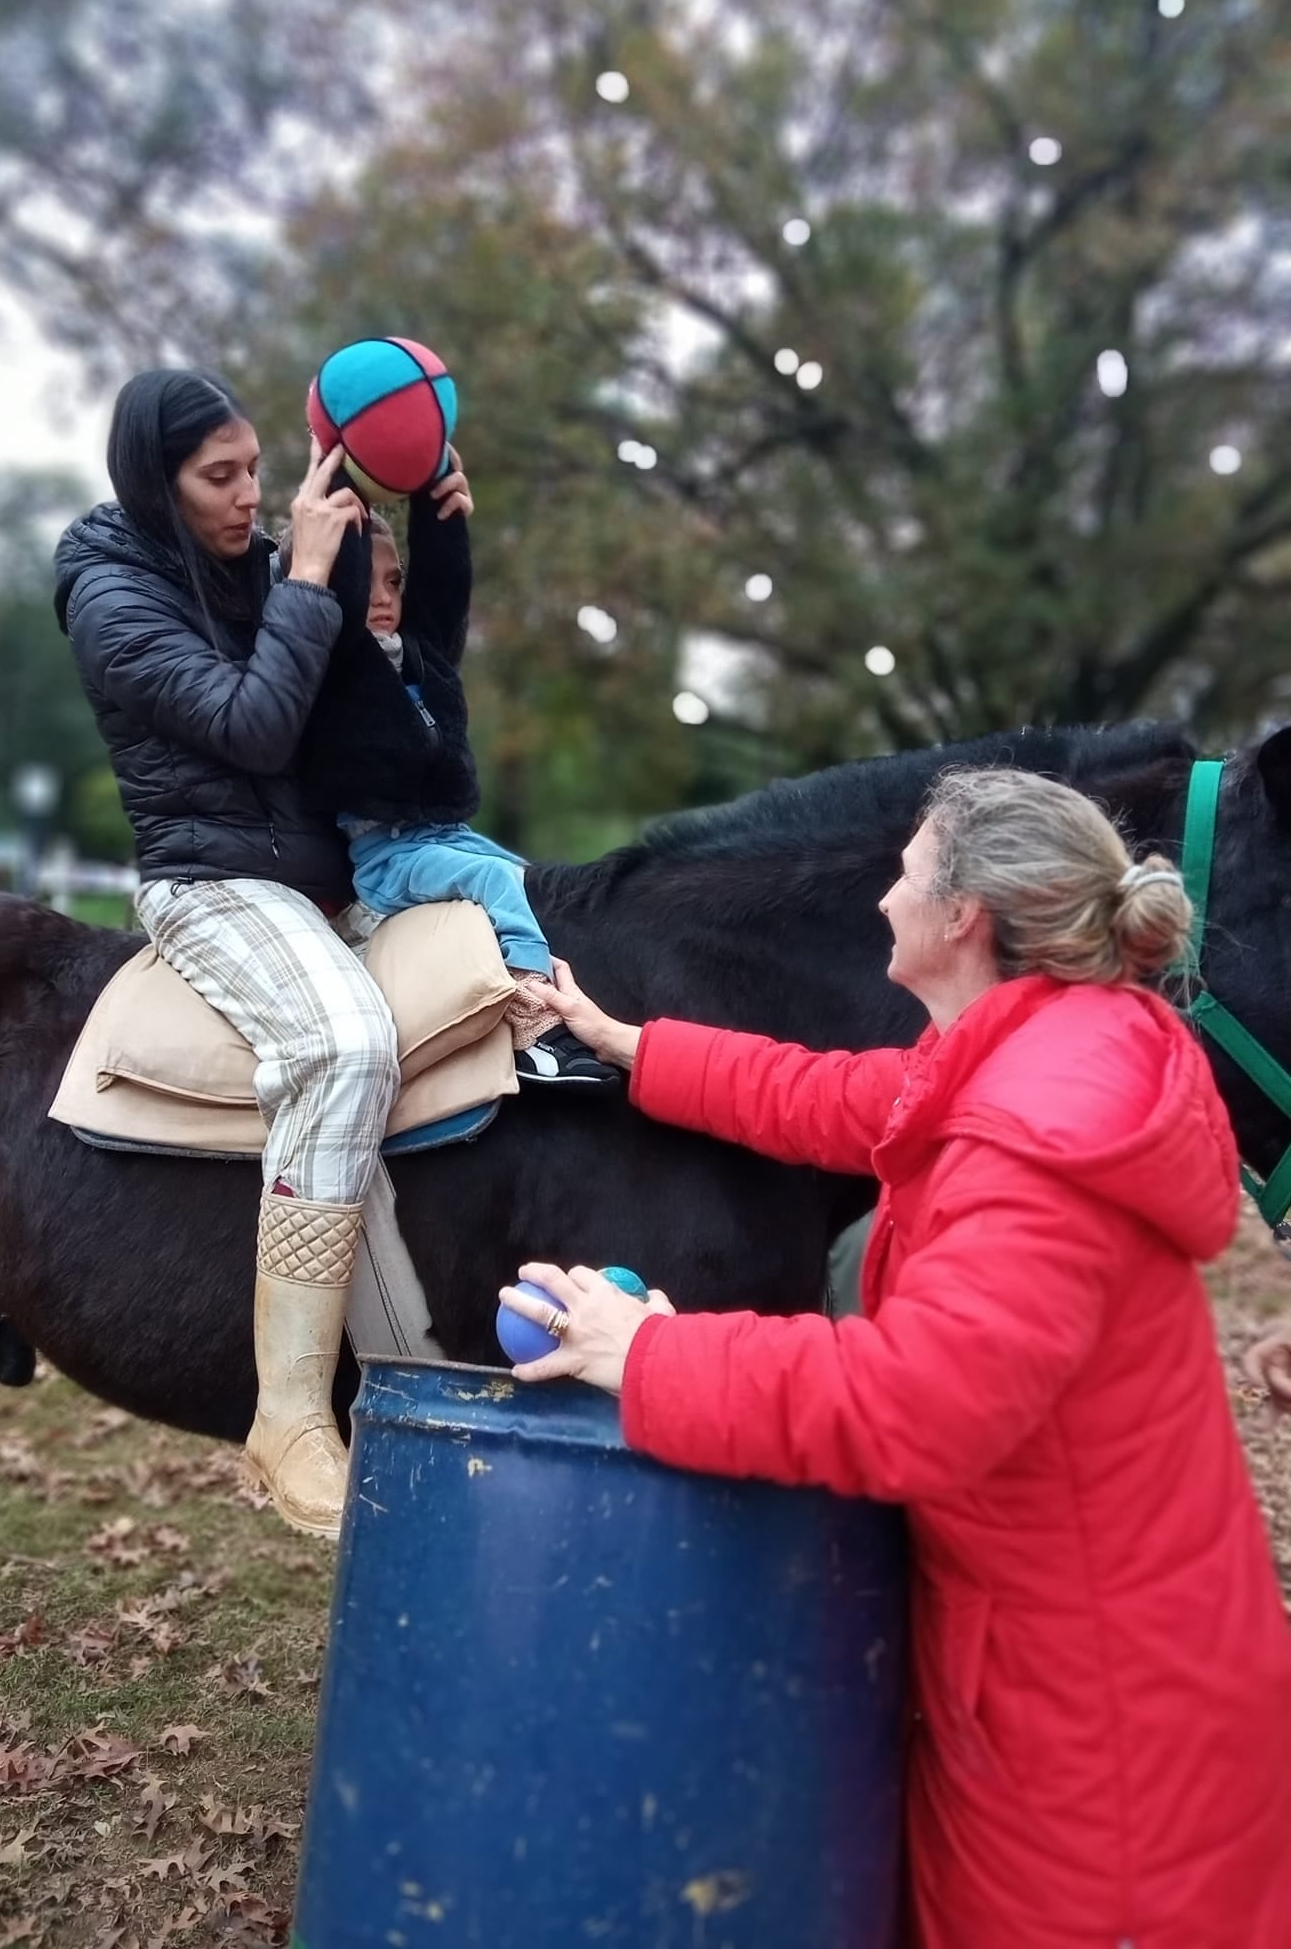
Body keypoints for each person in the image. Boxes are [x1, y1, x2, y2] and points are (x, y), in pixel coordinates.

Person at [500, 766, 1291, 1948]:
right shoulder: (1049, 1047)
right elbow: (849, 1098)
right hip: (1067, 1660)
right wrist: (632, 1044)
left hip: (1103, 1741)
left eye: (909, 870)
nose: (886, 895)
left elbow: (913, 1402)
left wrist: (651, 1352)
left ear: (964, 916)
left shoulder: (1041, 1139)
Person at [54, 368, 401, 1538]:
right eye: (221, 477)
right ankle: (292, 1413)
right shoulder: (109, 596)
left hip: (324, 873)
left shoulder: (245, 558)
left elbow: (362, 672)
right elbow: (253, 725)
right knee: (344, 1040)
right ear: (157, 484)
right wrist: (303, 574)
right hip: (209, 881)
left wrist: (427, 531)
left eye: (258, 467)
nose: (250, 495)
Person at [292, 453, 616, 1087]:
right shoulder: (337, 663)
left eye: (395, 582)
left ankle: (568, 998)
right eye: (369, 584)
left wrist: (435, 500)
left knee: (531, 879)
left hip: (443, 834)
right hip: (386, 855)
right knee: (497, 882)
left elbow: (443, 590)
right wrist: (340, 467)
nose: (384, 599)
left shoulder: (417, 655)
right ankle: (532, 1030)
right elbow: (341, 576)